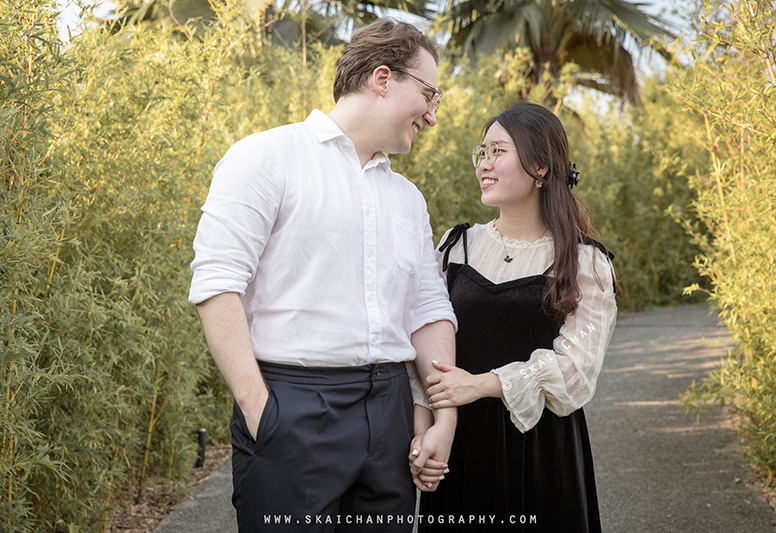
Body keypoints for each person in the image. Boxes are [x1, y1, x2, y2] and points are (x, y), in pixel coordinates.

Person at [188, 19, 457, 533]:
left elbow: (426, 309)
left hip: (391, 414)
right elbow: (217, 284)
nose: (433, 115)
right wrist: (260, 410)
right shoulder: (265, 157)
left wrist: (442, 417)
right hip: (293, 408)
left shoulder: (408, 199)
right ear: (383, 78)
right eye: (430, 94)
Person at [417, 102, 617, 532]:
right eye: (482, 152)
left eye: (498, 152)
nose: (484, 164)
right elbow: (421, 339)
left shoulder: (584, 262)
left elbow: (578, 369)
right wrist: (425, 427)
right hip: (460, 440)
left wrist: (481, 384)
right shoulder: (455, 247)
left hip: (541, 451)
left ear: (541, 167)